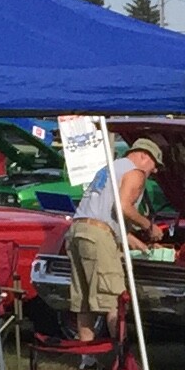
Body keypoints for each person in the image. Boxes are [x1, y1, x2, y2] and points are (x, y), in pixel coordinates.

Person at [63, 134, 159, 342]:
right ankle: (120, 354)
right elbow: (123, 207)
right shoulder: (136, 172)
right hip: (98, 236)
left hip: (78, 231)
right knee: (115, 300)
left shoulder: (109, 169)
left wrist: (141, 245)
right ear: (144, 156)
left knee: (84, 302)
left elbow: (108, 219)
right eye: (154, 165)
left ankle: (87, 356)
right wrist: (149, 226)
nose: (155, 171)